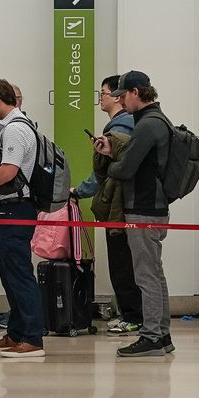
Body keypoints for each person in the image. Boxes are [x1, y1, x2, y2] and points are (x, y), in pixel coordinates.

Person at [98, 71, 174, 358]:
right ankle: (162, 334)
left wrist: (111, 165)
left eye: (122, 95)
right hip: (154, 207)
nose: (120, 101)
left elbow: (126, 169)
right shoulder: (156, 120)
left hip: (143, 208)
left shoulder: (147, 125)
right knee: (155, 273)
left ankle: (152, 335)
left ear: (135, 92)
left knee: (146, 276)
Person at [0, 79, 46, 360]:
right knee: (9, 274)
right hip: (8, 209)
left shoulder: (15, 130)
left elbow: (9, 172)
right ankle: (16, 333)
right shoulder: (10, 128)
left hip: (16, 209)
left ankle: (32, 338)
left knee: (19, 273)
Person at [76, 75, 141, 335]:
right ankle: (133, 313)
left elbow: (106, 171)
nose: (99, 98)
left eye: (102, 93)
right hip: (124, 204)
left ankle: (133, 315)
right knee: (128, 262)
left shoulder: (121, 127)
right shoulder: (123, 124)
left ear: (117, 96)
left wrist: (79, 191)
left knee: (122, 261)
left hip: (120, 206)